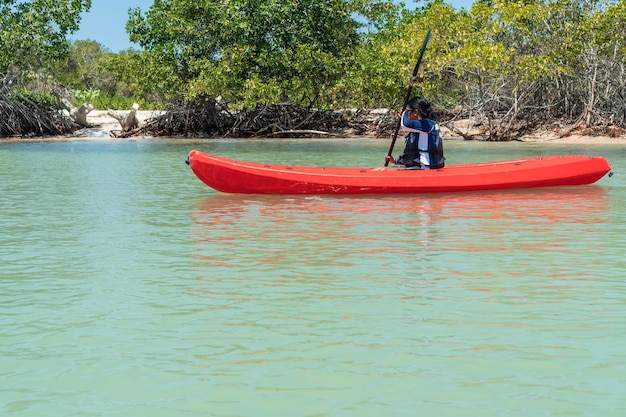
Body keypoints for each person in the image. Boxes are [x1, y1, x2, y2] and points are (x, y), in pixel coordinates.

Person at [385, 96, 445, 169]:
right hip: (422, 166)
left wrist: (404, 113)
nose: (407, 114)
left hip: (425, 167)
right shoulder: (421, 127)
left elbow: (405, 125)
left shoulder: (427, 124)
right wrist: (395, 161)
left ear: (415, 112)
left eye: (408, 111)